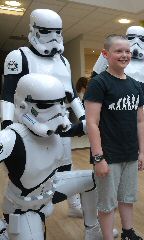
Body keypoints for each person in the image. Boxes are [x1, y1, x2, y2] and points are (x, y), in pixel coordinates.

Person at [1, 8, 85, 217]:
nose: (54, 38)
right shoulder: (18, 57)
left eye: (58, 32)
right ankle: (18, 213)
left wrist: (83, 118)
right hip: (28, 125)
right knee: (27, 171)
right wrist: (7, 124)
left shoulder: (63, 61)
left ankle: (73, 205)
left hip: (60, 120)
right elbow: (8, 93)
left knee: (65, 163)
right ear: (34, 29)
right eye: (47, 31)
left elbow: (71, 94)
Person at [0, 73, 102, 240]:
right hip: (23, 207)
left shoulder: (56, 130)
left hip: (50, 189)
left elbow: (84, 127)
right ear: (24, 105)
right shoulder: (11, 137)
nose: (56, 112)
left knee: (92, 180)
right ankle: (6, 231)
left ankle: (93, 230)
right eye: (45, 105)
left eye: (60, 103)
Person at [91, 25, 144, 209]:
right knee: (114, 158)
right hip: (115, 115)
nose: (136, 44)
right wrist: (104, 55)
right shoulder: (116, 61)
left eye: (141, 39)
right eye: (131, 37)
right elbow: (95, 75)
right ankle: (110, 197)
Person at [84, 34, 144, 240]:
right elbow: (91, 122)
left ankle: (128, 233)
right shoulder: (98, 83)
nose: (125, 55)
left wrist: (142, 152)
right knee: (107, 204)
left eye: (127, 51)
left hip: (130, 153)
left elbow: (139, 121)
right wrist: (98, 158)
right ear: (106, 54)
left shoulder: (136, 85)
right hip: (108, 155)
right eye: (119, 51)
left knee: (127, 199)